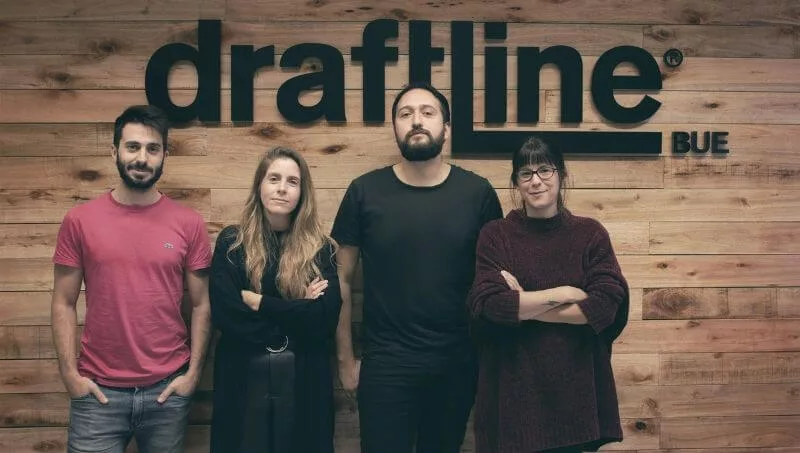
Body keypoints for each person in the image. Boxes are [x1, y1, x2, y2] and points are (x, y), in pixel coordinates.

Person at [331, 81, 504, 453]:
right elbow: (341, 279)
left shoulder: (478, 194)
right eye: (405, 114)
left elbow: (495, 283)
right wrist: (345, 361)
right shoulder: (364, 192)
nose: (416, 121)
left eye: (428, 112)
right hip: (386, 365)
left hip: (457, 363)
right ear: (395, 127)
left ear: (447, 127)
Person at [51, 105, 212, 453]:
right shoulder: (80, 220)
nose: (142, 158)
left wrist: (192, 376)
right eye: (133, 147)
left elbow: (202, 304)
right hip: (98, 394)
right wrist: (70, 376)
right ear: (115, 151)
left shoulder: (189, 223)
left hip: (167, 392)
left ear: (165, 155)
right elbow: (63, 301)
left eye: (153, 149)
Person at [467, 136, 629, 453]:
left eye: (545, 170)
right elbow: (489, 304)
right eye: (526, 173)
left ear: (561, 174)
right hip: (513, 398)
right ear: (516, 181)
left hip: (575, 400)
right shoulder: (496, 235)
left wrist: (524, 305)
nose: (536, 181)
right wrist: (564, 293)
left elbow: (605, 306)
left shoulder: (590, 234)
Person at [209, 146, 342, 453]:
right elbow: (228, 315)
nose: (282, 188)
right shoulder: (232, 244)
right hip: (242, 380)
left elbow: (323, 319)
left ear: (302, 192)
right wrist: (298, 311)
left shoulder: (321, 249)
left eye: (292, 181)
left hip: (305, 381)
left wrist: (260, 303)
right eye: (274, 178)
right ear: (259, 185)